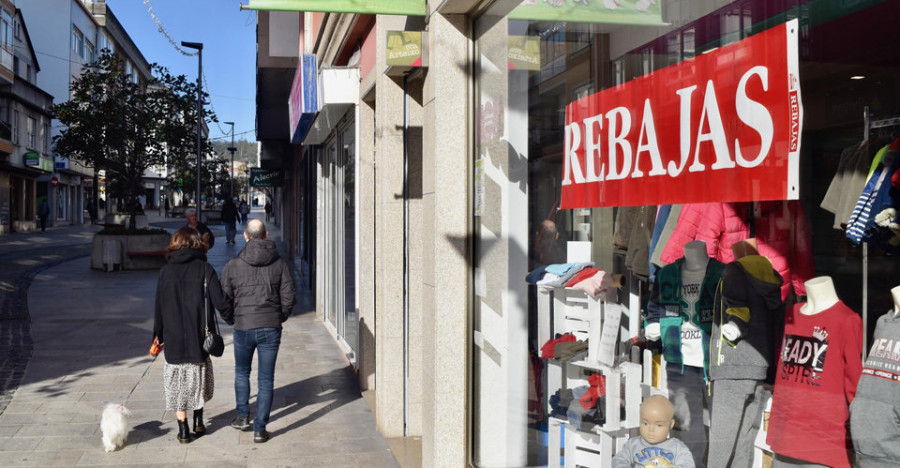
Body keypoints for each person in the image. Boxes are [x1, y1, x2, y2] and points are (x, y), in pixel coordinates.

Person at [646, 240, 725, 468]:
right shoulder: (667, 275)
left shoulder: (723, 273)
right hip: (679, 364)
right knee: (686, 428)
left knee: (721, 428)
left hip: (716, 364)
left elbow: (734, 311)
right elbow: (654, 311)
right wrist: (653, 325)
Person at [152, 227, 232, 444]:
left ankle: (183, 430)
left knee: (177, 385)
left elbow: (158, 309)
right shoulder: (205, 269)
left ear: (176, 243)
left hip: (174, 339)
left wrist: (157, 336)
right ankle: (198, 420)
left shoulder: (165, 272)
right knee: (197, 380)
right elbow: (221, 301)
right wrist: (234, 315)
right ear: (198, 243)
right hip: (200, 338)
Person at [708, 238, 783, 467]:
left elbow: (737, 311)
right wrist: (771, 374)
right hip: (758, 367)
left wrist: (734, 327)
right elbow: (776, 325)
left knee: (721, 444)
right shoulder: (768, 276)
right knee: (744, 440)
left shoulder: (734, 271)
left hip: (731, 363)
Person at [220, 219, 296, 443]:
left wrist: (233, 318)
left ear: (245, 236)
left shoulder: (233, 265)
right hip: (270, 327)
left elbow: (223, 299)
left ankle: (243, 417)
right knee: (266, 380)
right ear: (265, 236)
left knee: (242, 372)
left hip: (243, 327)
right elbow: (289, 295)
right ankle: (260, 429)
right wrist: (278, 316)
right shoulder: (280, 263)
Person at [612, 395, 695, 467]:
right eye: (645, 423)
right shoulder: (633, 444)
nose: (651, 430)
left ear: (671, 424)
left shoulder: (678, 448)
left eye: (659, 425)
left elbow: (688, 465)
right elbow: (618, 460)